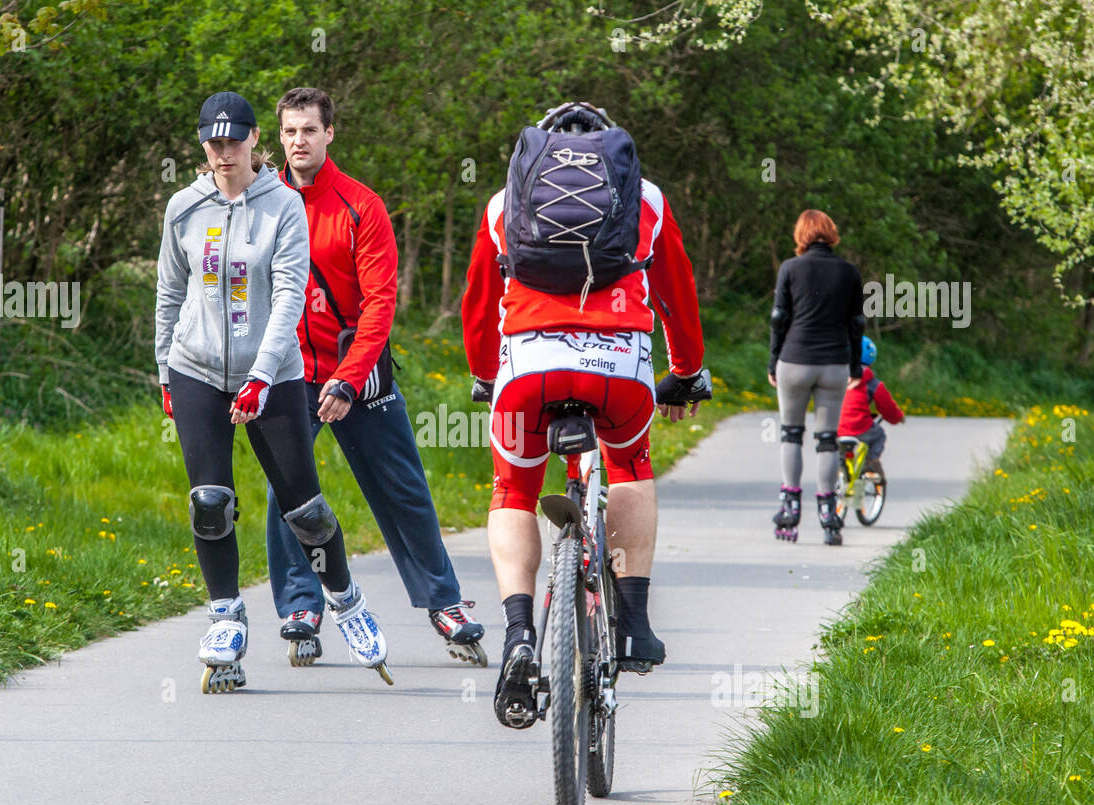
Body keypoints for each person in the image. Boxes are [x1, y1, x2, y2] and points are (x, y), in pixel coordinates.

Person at [461, 101, 708, 729]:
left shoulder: (504, 203)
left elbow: (478, 303)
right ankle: (635, 625)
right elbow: (677, 292)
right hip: (619, 371)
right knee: (629, 467)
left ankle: (519, 633)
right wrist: (686, 373)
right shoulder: (645, 198)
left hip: (528, 373)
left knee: (514, 489)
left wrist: (487, 377)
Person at [154, 90, 391, 691]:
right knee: (210, 502)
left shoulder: (283, 205)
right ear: (202, 144)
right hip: (197, 368)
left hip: (276, 374)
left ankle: (345, 599)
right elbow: (168, 292)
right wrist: (164, 371)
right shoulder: (184, 206)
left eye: (235, 142)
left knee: (304, 511)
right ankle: (226, 617)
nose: (224, 153)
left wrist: (262, 374)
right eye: (214, 143)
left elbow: (289, 294)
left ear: (256, 140)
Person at [265, 87, 486, 668]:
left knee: (403, 487)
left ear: (329, 133)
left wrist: (348, 378)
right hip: (291, 374)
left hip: (357, 373)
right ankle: (302, 607)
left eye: (309, 130)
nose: (298, 142)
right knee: (288, 491)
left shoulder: (362, 206)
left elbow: (380, 303)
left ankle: (445, 603)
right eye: (289, 132)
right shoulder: (263, 204)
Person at [767, 209, 864, 546]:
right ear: (831, 232)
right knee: (827, 438)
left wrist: (772, 362)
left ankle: (790, 507)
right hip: (834, 363)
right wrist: (854, 367)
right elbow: (856, 324)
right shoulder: (849, 272)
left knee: (791, 434)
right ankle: (828, 513)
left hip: (794, 359)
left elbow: (779, 319)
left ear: (801, 235)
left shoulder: (790, 269)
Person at [837, 335, 905, 478]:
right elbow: (886, 407)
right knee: (879, 435)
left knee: (836, 451)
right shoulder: (871, 381)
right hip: (859, 426)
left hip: (836, 426)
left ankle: (837, 472)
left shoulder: (835, 376)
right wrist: (897, 418)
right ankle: (871, 464)